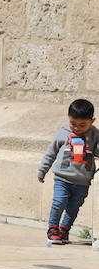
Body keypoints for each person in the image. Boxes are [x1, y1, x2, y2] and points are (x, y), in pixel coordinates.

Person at [37, 99, 98, 246]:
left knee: (73, 207)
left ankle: (64, 230)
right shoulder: (63, 133)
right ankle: (52, 229)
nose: (77, 128)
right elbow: (51, 153)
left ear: (92, 121)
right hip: (62, 178)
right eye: (73, 123)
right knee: (59, 202)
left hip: (82, 181)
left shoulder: (95, 134)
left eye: (82, 125)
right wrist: (42, 170)